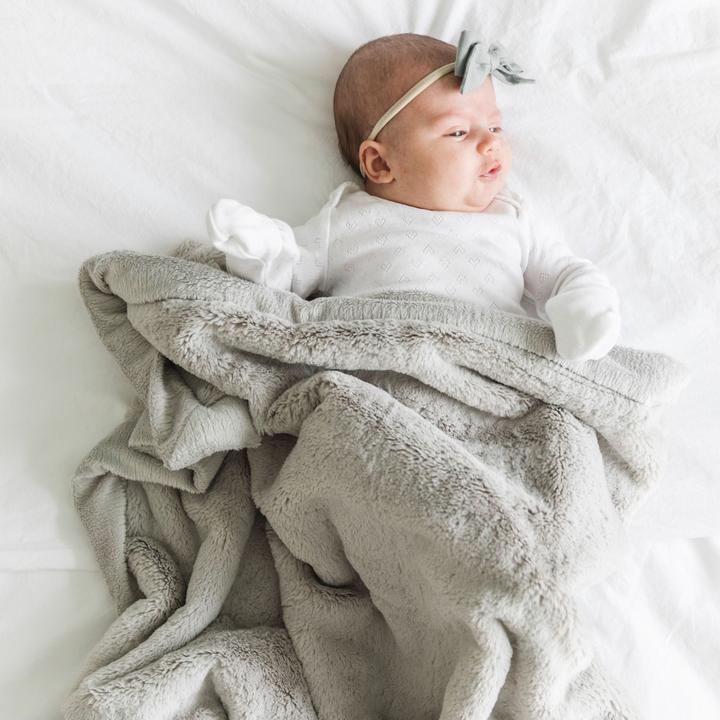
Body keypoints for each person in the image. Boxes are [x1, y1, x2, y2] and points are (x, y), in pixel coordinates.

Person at [206, 31, 621, 361]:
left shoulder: (512, 219)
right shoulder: (348, 219)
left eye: (495, 127)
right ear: (380, 163)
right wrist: (260, 247)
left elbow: (565, 274)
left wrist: (584, 311)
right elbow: (290, 272)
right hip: (380, 362)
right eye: (458, 131)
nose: (490, 143)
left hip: (488, 361)